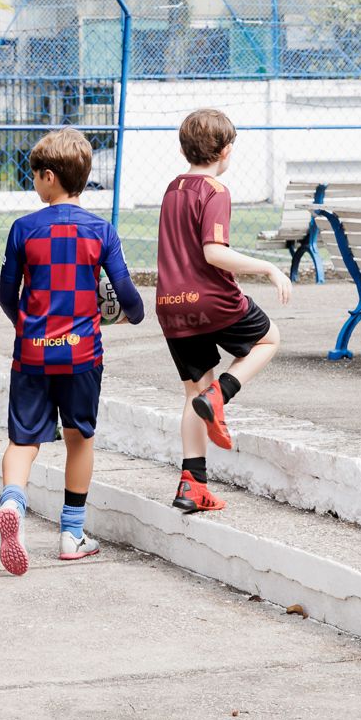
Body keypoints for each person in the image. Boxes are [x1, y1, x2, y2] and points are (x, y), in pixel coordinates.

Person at [0, 128, 144, 575]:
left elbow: (7, 295)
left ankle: (13, 505)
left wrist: (28, 327)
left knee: (23, 441)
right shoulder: (101, 230)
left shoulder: (23, 229)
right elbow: (127, 294)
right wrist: (125, 317)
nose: (33, 183)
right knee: (79, 439)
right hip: (82, 357)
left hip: (32, 355)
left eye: (34, 176)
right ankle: (71, 534)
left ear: (48, 176)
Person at [155, 108, 290, 513]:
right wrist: (267, 266)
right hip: (211, 300)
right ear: (226, 150)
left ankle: (191, 485)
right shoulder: (214, 190)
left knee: (193, 392)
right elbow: (214, 253)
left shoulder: (171, 188)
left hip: (170, 305)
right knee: (268, 338)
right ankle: (222, 394)